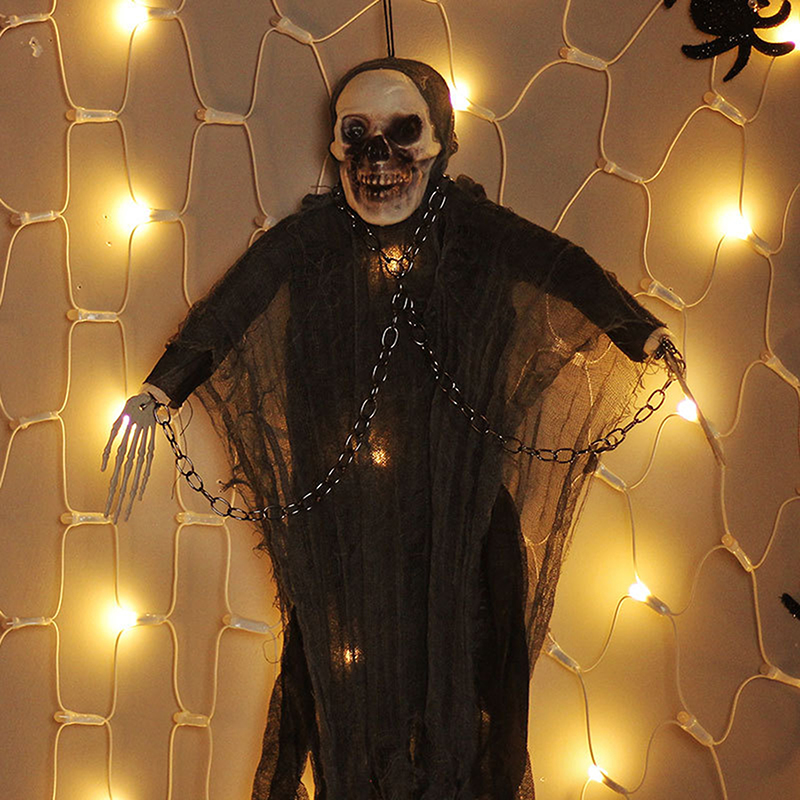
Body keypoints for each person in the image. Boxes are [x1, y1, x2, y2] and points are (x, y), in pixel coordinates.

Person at [104, 58, 669, 800]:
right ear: (337, 146)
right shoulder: (315, 240)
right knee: (347, 697)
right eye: (356, 134)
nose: (377, 157)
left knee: (474, 689)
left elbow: (560, 265)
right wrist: (164, 386)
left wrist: (640, 332)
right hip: (353, 538)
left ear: (439, 141)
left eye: (402, 133)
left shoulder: (475, 232)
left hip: (462, 524)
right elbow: (239, 299)